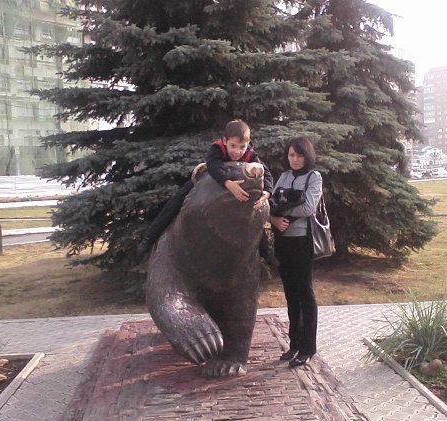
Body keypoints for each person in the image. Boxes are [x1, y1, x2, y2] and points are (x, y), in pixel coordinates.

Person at [137, 120, 276, 263]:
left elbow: (266, 173)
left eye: (242, 147)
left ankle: (265, 250)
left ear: (247, 144)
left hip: (238, 187)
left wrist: (267, 192)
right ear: (225, 141)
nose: (237, 151)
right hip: (213, 180)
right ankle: (149, 237)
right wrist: (227, 183)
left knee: (251, 212)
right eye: (233, 146)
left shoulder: (250, 154)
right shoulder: (217, 148)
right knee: (177, 199)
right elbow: (213, 166)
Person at [269, 137, 322, 368]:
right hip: (283, 241)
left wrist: (283, 212)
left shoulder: (314, 177)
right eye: (292, 155)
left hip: (302, 241)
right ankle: (294, 344)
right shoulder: (284, 176)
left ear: (307, 155)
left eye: (300, 155)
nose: (296, 159)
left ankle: (308, 348)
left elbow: (309, 207)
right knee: (291, 295)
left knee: (305, 294)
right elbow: (270, 204)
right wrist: (274, 218)